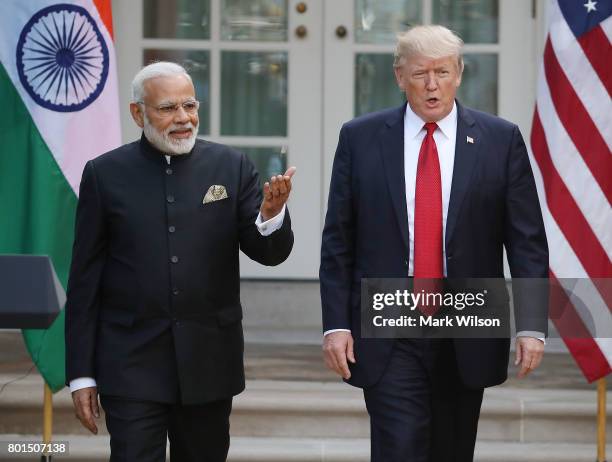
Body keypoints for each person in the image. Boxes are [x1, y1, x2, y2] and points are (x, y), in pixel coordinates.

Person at [320, 25, 548, 462]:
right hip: (388, 318)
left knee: (452, 449)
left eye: (442, 72)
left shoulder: (500, 140)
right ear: (399, 76)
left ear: (459, 74)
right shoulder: (361, 138)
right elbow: (338, 241)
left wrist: (532, 324)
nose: (432, 85)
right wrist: (336, 324)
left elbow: (527, 242)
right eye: (420, 73)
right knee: (398, 448)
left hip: (468, 319)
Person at [65, 61, 295, 461]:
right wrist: (81, 373)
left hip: (209, 361)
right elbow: (85, 280)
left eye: (190, 106)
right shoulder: (104, 174)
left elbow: (269, 254)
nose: (183, 119)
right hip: (130, 362)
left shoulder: (232, 166)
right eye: (168, 108)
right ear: (138, 113)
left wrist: (272, 216)